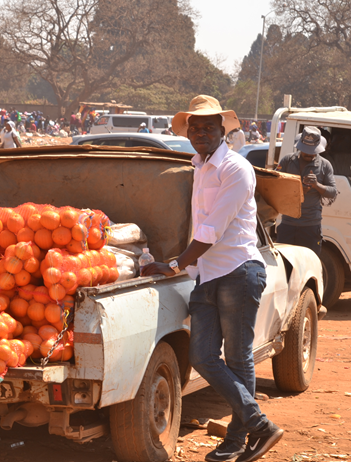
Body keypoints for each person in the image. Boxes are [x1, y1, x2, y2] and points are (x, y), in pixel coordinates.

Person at [142, 95, 283, 462]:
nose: (201, 132)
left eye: (208, 126)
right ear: (188, 132)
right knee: (203, 357)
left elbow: (211, 231)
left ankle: (237, 441)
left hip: (238, 271)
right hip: (205, 273)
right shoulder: (199, 167)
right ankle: (260, 426)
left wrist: (173, 265)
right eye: (195, 127)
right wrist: (182, 265)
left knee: (238, 360)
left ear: (224, 130)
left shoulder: (236, 168)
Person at [275, 126, 337, 255]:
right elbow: (275, 185)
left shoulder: (325, 165)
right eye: (305, 151)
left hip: (310, 226)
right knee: (285, 265)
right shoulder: (287, 161)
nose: (308, 154)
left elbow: (332, 192)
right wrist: (298, 189)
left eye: (312, 151)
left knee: (309, 267)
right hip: (288, 224)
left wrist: (316, 185)